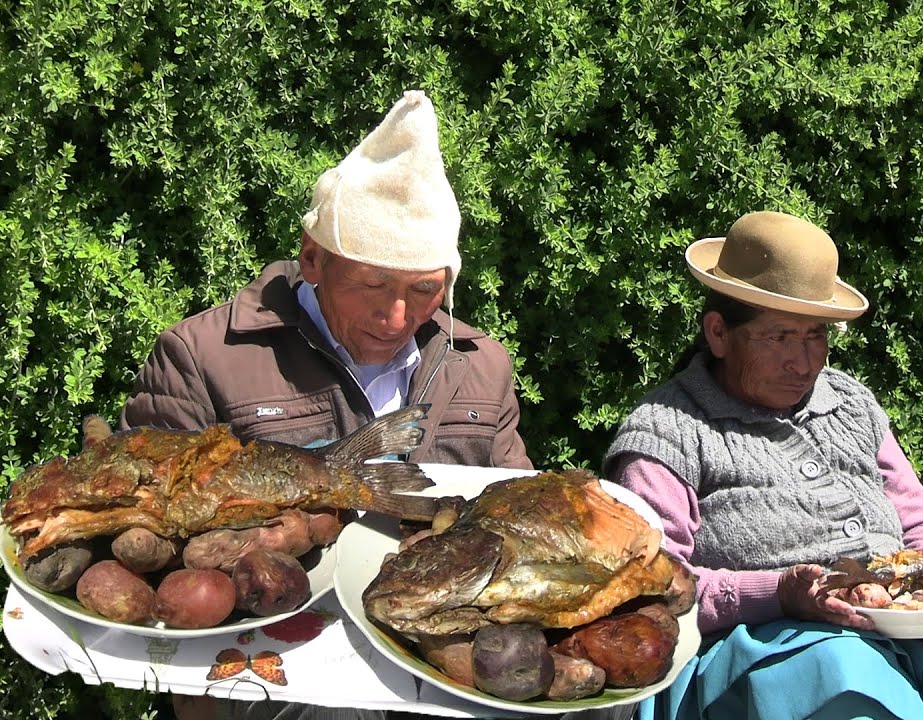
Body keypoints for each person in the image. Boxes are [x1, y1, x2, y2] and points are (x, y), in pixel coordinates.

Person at [121, 92, 624, 720]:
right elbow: (143, 543)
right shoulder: (203, 355)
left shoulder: (482, 366)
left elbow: (515, 510)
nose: (396, 317)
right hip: (278, 665)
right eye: (371, 285)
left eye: (423, 290)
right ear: (313, 260)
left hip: (442, 646)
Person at [603, 211, 923, 720]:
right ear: (718, 332)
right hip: (770, 648)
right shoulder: (667, 432)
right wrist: (779, 593)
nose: (803, 362)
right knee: (846, 685)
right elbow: (655, 586)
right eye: (780, 337)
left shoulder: (850, 402)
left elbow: (919, 524)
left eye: (816, 336)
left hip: (905, 627)